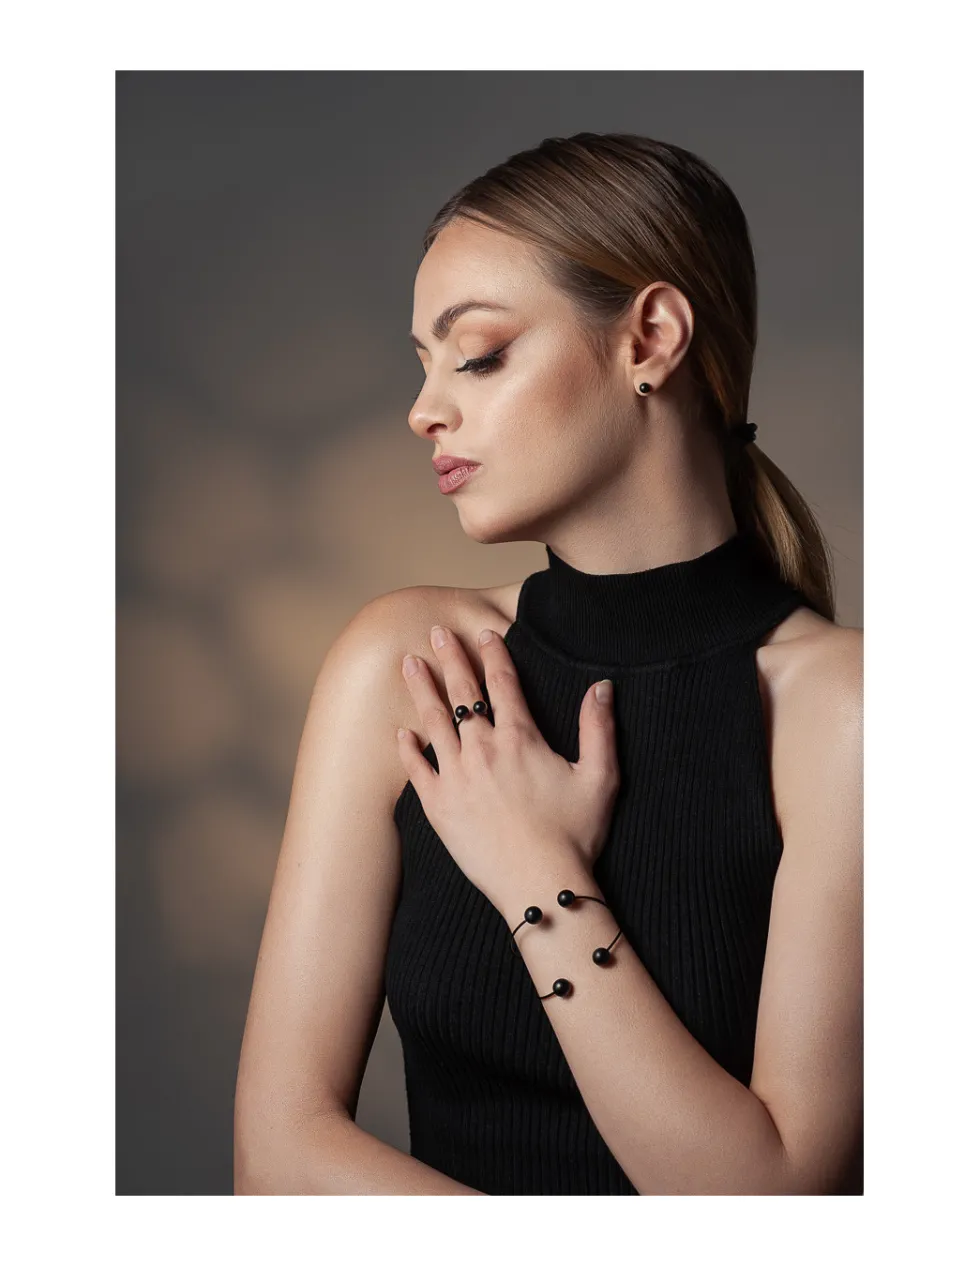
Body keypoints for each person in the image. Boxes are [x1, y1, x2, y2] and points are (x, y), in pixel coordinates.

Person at [233, 132, 862, 1196]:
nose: (423, 410)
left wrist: (535, 873)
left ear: (650, 338)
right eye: (423, 363)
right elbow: (277, 1158)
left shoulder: (844, 714)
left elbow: (765, 1206)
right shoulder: (410, 667)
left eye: (477, 353)